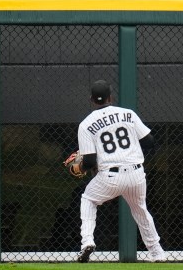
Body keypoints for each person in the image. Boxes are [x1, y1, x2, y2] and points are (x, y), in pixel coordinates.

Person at [70, 80, 165, 263]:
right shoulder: (128, 114)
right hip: (136, 174)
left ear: (91, 100)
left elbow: (89, 161)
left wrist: (80, 167)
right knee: (140, 211)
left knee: (88, 199)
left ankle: (87, 242)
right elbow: (149, 142)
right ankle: (157, 253)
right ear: (110, 97)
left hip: (110, 177)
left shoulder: (86, 124)